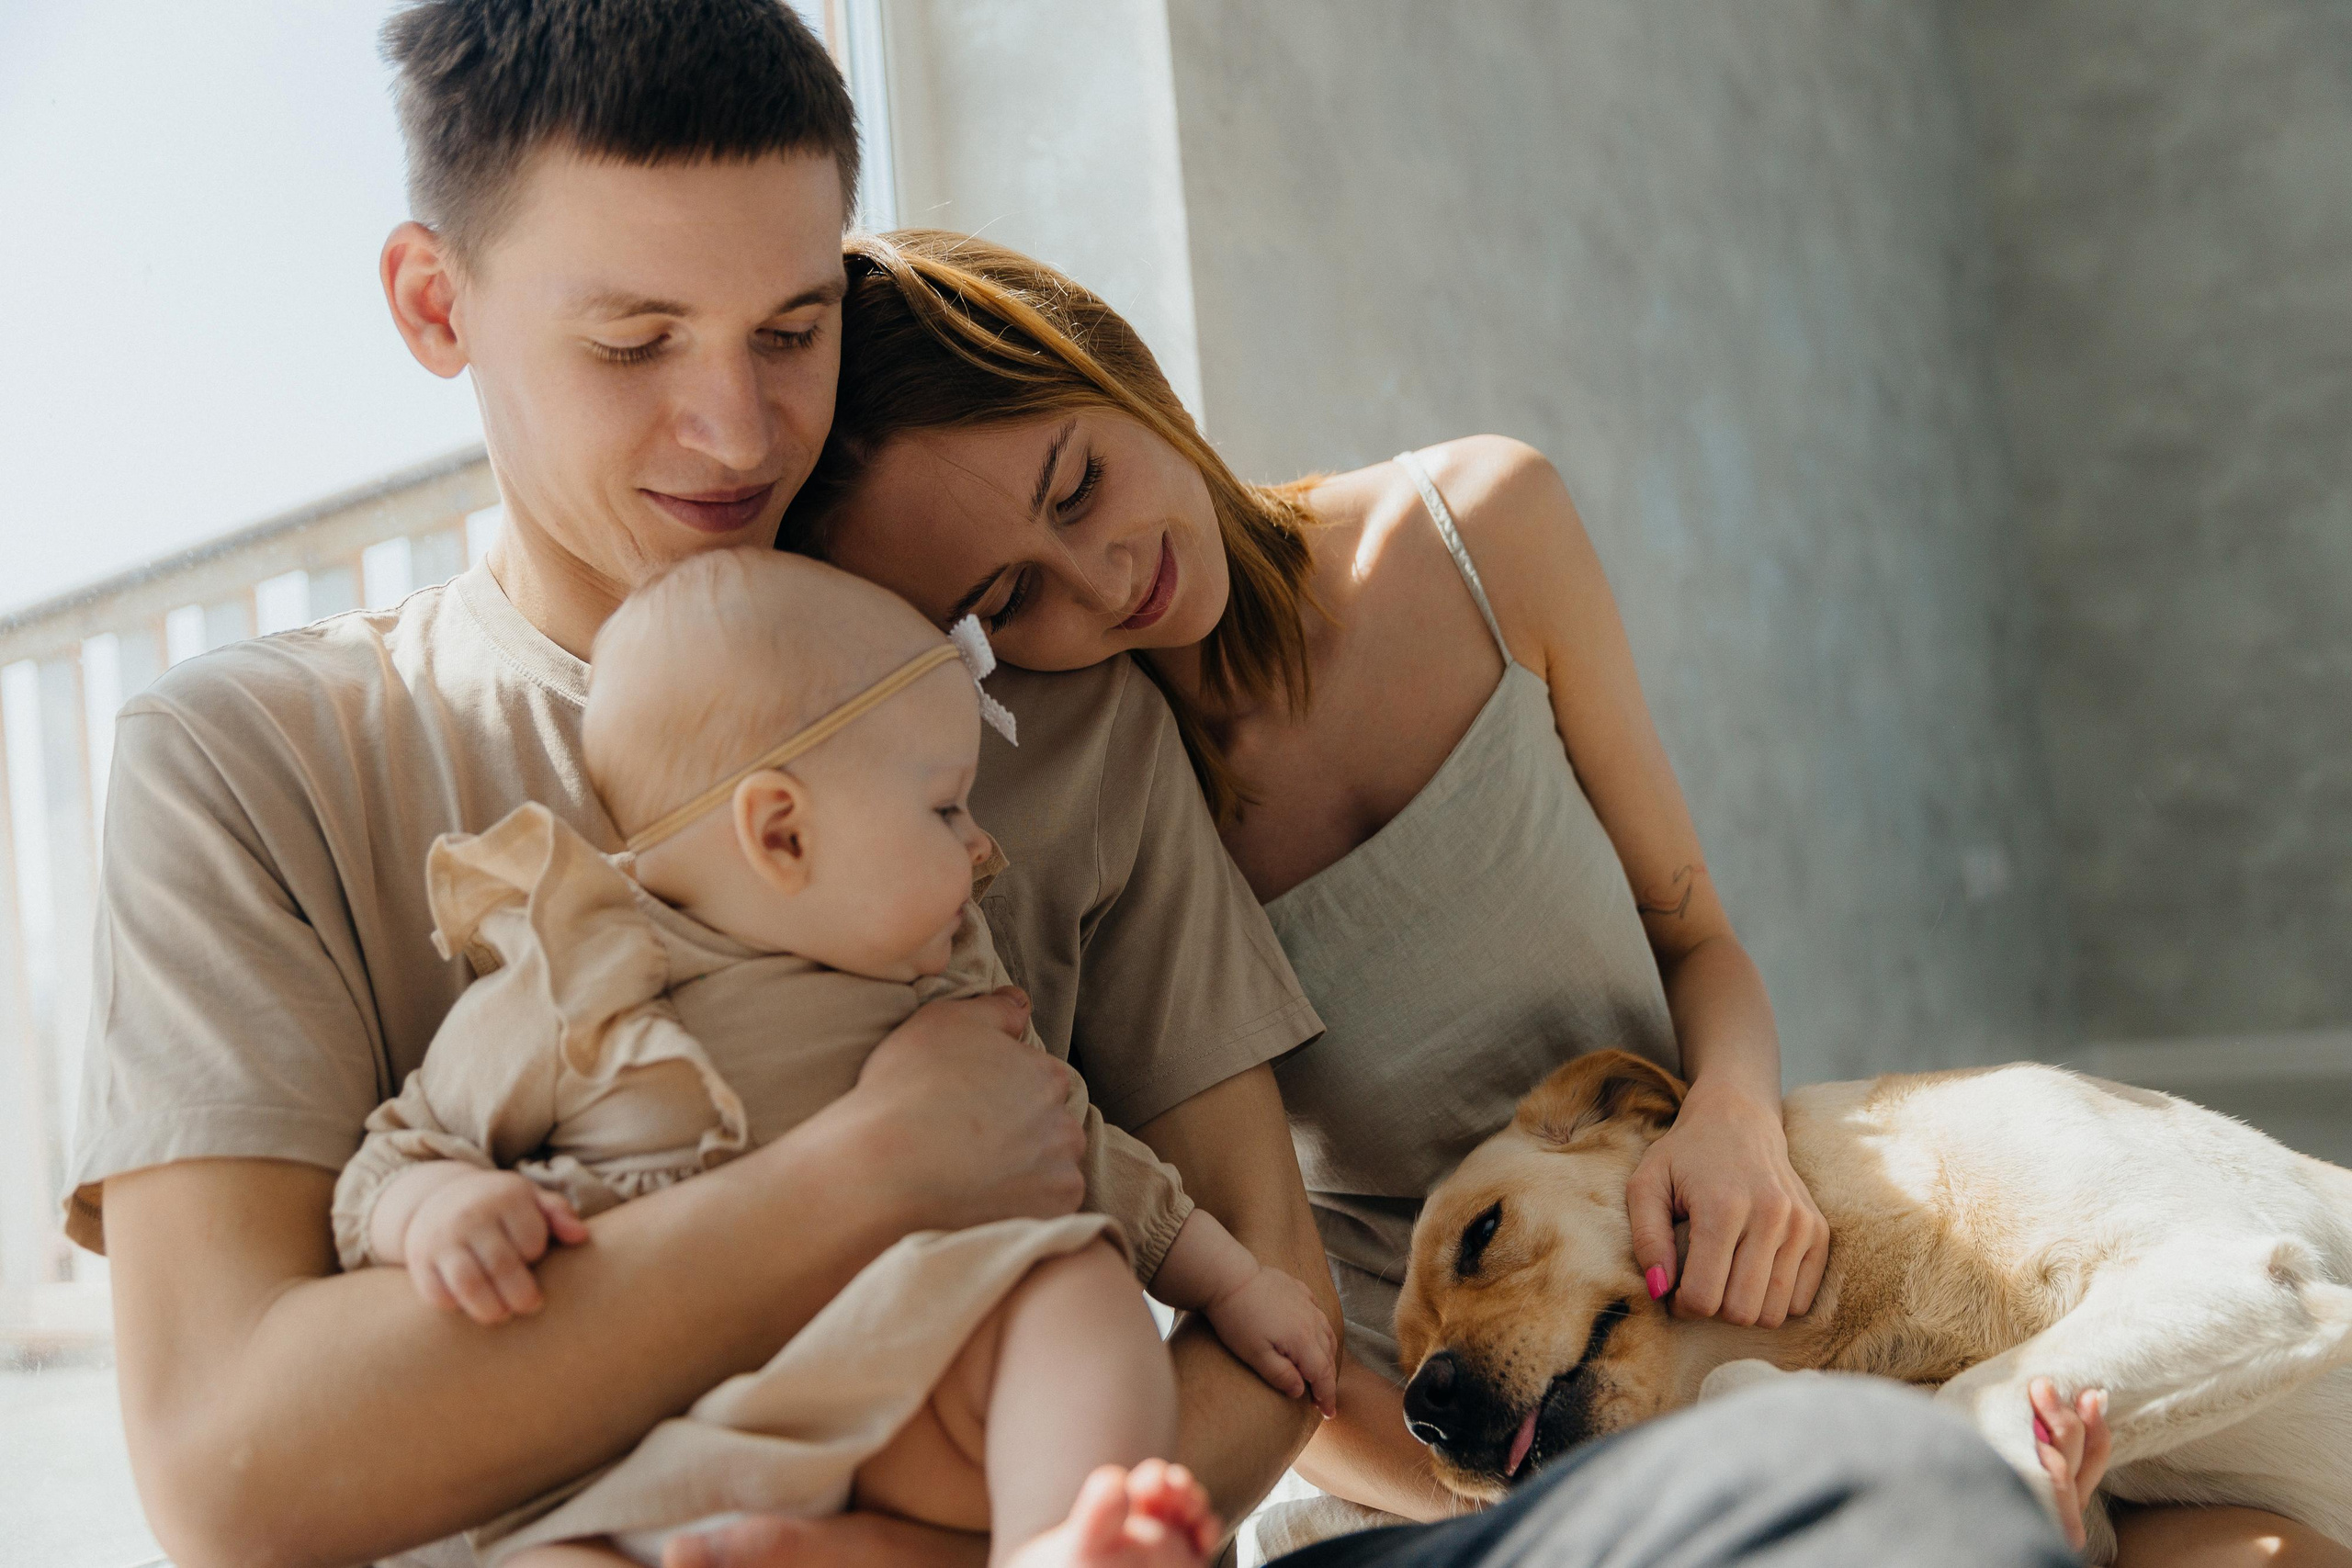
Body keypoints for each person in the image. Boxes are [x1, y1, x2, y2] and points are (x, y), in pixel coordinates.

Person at [775, 229, 2349, 1566]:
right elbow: (1269, 1306)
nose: (1100, 577)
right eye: (1007, 602)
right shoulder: (1101, 799)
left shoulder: (1478, 529)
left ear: (1108, 359)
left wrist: (1730, 1117)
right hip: (1443, 1439)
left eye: (1076, 483)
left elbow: (1695, 938)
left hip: (1708, 1275)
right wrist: (1525, 1495)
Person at [68, 6, 1333, 1566]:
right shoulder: (257, 761)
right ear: (434, 303)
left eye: (794, 331)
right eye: (633, 342)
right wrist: (871, 1172)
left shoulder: (1038, 705)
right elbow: (231, 1473)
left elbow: (1276, 1309)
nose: (739, 434)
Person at [335, 549, 1333, 1567]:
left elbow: (1070, 1135)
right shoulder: (576, 973)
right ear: (782, 834)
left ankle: (1053, 1540)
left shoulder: (941, 983)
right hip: (648, 1465)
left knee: (1074, 1283)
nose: (981, 845)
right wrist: (438, 1210)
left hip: (896, 1386)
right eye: (946, 808)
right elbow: (391, 1160)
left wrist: (1228, 1281)